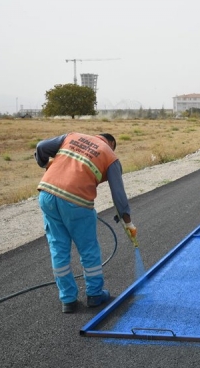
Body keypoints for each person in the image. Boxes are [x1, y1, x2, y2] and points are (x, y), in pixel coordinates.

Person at [35, 132, 135, 313]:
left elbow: (41, 146)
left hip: (47, 195)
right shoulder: (109, 154)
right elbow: (118, 195)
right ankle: (95, 294)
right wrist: (127, 222)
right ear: (111, 143)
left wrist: (44, 164)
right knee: (88, 249)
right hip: (76, 202)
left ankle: (68, 300)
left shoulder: (72, 136)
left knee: (58, 248)